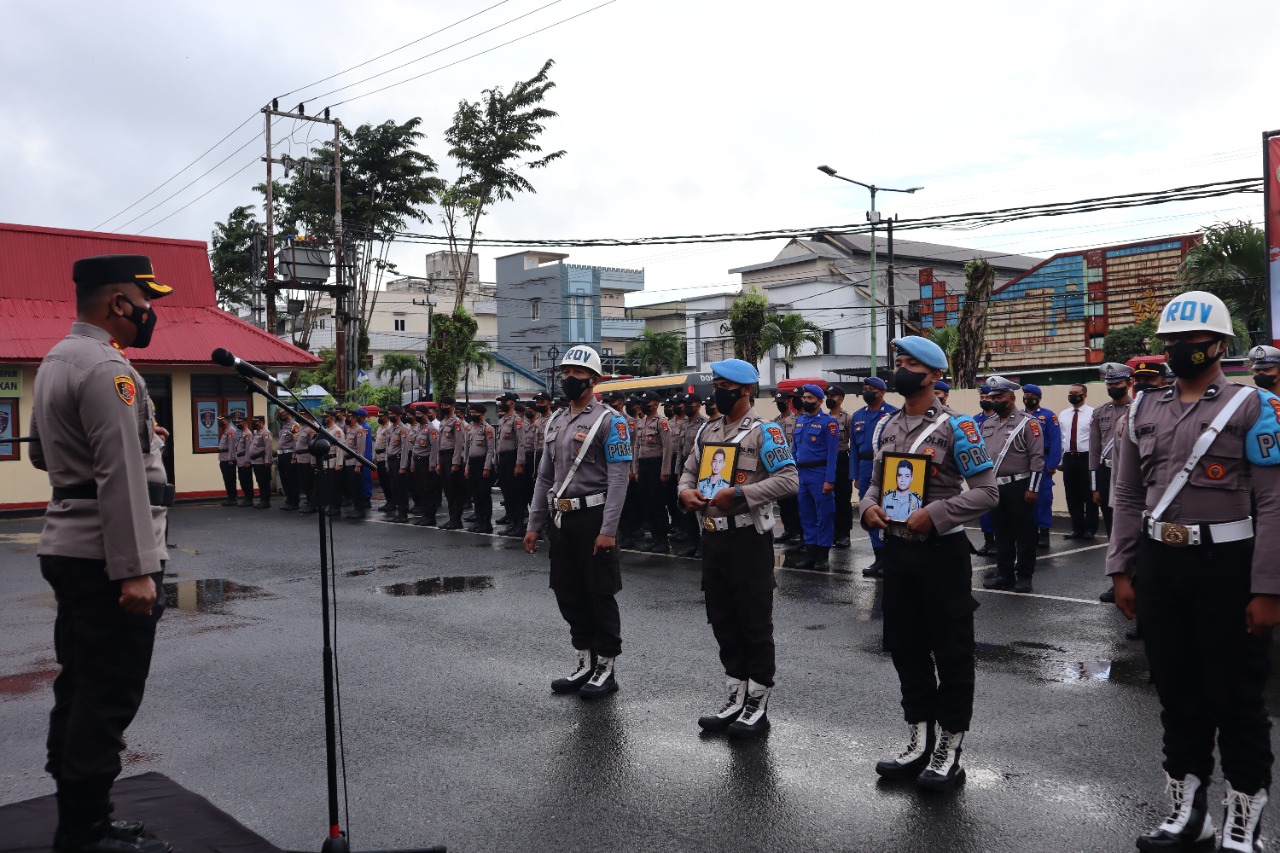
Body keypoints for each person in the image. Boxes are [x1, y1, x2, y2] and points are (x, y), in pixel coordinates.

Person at [1106, 291, 1280, 853]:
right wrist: (1121, 568)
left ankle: (1242, 824)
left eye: (1192, 340)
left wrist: (1269, 587)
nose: (1180, 348)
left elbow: (1274, 502)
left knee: (1236, 698)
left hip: (1227, 567)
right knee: (1177, 693)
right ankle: (1188, 815)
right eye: (1172, 341)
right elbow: (1127, 495)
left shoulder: (1254, 406)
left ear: (1220, 344)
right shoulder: (1142, 409)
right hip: (1161, 566)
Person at [29, 254, 174, 853]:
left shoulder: (57, 359)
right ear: (118, 303)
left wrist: (140, 437)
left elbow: (42, 455)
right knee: (108, 693)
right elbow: (119, 474)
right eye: (145, 302)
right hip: (106, 557)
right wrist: (135, 570)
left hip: (70, 544)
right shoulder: (109, 368)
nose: (149, 313)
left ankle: (83, 817)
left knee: (81, 684)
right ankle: (85, 833)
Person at [859, 336, 997, 792]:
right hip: (898, 553)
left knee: (952, 653)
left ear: (935, 375)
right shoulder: (887, 426)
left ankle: (949, 750)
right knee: (906, 648)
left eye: (911, 364)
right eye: (898, 362)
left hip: (941, 554)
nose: (900, 370)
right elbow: (875, 484)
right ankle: (919, 739)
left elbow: (987, 492)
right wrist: (868, 507)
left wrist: (936, 514)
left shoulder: (958, 427)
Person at [677, 359, 798, 737]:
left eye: (725, 386)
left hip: (747, 539)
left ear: (746, 390)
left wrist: (743, 494)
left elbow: (789, 480)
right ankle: (735, 694)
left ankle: (757, 702)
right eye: (716, 385)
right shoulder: (708, 431)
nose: (718, 392)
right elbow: (689, 471)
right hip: (713, 538)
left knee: (754, 622)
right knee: (723, 619)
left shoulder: (765, 432)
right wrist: (685, 492)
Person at [523, 345, 633, 699]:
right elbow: (544, 477)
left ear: (594, 380)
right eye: (565, 372)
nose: (569, 378)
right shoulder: (555, 421)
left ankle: (606, 667)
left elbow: (619, 480)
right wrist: (534, 523)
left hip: (593, 516)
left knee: (599, 592)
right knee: (567, 591)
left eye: (578, 373)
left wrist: (608, 530)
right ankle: (585, 661)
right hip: (561, 518)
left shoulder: (611, 421)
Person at [980, 376, 1044, 593]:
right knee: (1002, 532)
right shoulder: (988, 424)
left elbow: (1037, 459)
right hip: (995, 486)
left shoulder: (1028, 423)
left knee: (1024, 533)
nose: (996, 400)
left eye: (1000, 397)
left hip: (1020, 485)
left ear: (1012, 398)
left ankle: (1024, 576)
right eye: (993, 397)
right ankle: (1004, 574)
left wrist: (1033, 489)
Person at [852, 376, 898, 577]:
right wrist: (854, 474)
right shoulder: (858, 416)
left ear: (882, 393)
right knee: (869, 511)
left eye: (871, 389)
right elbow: (854, 448)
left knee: (889, 510)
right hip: (865, 467)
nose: (867, 392)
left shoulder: (893, 414)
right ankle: (878, 556)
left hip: (887, 466)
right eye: (865, 388)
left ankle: (891, 557)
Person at [791, 384, 839, 571]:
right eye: (804, 398)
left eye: (810, 398)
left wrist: (829, 480)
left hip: (819, 474)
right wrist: (793, 473)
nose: (805, 401)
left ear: (820, 401)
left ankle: (822, 556)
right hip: (802, 474)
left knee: (825, 515)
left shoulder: (829, 423)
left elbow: (832, 454)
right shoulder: (800, 420)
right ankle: (810, 553)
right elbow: (795, 450)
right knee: (806, 515)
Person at [632, 390, 673, 553]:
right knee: (646, 503)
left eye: (646, 403)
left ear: (655, 405)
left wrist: (665, 471)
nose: (643, 406)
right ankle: (655, 538)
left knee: (657, 504)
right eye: (642, 403)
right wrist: (635, 469)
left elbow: (667, 447)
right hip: (643, 466)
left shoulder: (661, 422)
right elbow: (636, 446)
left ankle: (663, 540)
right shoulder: (641, 422)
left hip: (656, 465)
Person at [1021, 384, 1061, 548]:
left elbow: (1056, 440)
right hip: (1023, 462)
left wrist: (1052, 464)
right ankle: (1030, 531)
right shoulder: (1019, 416)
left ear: (1039, 398)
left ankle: (1044, 531)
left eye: (1032, 396)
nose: (1028, 398)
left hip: (1043, 461)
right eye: (1026, 395)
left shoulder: (1048, 416)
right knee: (1024, 498)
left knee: (1043, 498)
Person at [1059, 383, 1095, 540]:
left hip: (1086, 457)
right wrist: (1060, 459)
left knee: (1089, 495)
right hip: (1069, 458)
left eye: (1076, 392)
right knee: (1072, 495)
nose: (1072, 395)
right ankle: (1077, 528)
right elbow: (1062, 438)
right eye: (1070, 393)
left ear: (1084, 395)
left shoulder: (1093, 413)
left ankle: (1090, 529)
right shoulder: (1064, 414)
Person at [824, 385, 855, 549]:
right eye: (828, 396)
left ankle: (844, 535)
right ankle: (833, 533)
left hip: (842, 460)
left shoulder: (848, 418)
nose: (829, 399)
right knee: (829, 499)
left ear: (841, 399)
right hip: (827, 461)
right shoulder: (823, 418)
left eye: (833, 396)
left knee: (843, 499)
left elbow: (854, 444)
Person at [771, 390, 803, 546]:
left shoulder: (796, 419)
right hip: (779, 466)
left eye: (782, 402)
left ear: (789, 401)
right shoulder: (774, 422)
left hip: (794, 464)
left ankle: (797, 531)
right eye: (777, 402)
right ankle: (788, 530)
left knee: (794, 501)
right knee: (783, 502)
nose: (779, 405)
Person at [463, 402, 497, 533]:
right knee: (476, 495)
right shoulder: (470, 428)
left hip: (482, 463)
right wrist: (467, 467)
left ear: (482, 414)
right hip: (472, 463)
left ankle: (486, 524)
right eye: (471, 412)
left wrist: (487, 468)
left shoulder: (488, 429)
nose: (472, 415)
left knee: (484, 495)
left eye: (475, 413)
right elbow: (467, 449)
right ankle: (479, 521)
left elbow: (490, 449)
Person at [433, 397, 466, 530]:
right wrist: (438, 463)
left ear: (452, 406)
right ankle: (452, 518)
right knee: (447, 490)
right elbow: (439, 444)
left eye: (446, 405)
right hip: (443, 456)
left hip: (452, 456)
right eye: (442, 405)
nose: (443, 407)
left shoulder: (456, 422)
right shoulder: (443, 422)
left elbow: (459, 444)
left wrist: (456, 463)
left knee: (455, 490)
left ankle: (457, 520)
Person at [973, 386, 998, 556]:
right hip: (981, 467)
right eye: (982, 397)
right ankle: (988, 540)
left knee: (998, 507)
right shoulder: (975, 420)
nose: (984, 400)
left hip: (998, 467)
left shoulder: (999, 418)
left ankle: (1000, 541)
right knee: (983, 507)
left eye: (987, 397)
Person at [494, 392, 522, 533]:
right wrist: (496, 461)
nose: (501, 404)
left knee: (514, 492)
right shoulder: (502, 420)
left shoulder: (516, 420)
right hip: (503, 458)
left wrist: (519, 463)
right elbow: (499, 443)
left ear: (511, 403)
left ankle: (518, 525)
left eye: (503, 402)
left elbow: (521, 443)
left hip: (512, 458)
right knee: (506, 492)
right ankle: (512, 522)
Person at [382, 406, 410, 523]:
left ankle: (403, 513)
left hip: (398, 461)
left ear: (398, 415)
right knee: (394, 488)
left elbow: (405, 449)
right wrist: (387, 463)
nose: (390, 416)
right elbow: (388, 447)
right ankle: (399, 512)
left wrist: (403, 466)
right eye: (389, 414)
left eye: (392, 414)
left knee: (401, 488)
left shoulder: (403, 429)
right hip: (391, 460)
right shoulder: (390, 429)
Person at [276, 410, 300, 511]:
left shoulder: (295, 425)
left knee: (291, 479)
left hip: (289, 455)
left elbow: (295, 442)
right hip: (281, 455)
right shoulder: (284, 425)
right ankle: (289, 499)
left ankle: (294, 501)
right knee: (284, 479)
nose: (281, 415)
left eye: (283, 413)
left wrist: (294, 457)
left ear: (288, 413)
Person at [248, 415, 274, 508]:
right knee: (260, 482)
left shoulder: (265, 433)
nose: (253, 423)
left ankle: (266, 501)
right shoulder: (257, 433)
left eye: (255, 421)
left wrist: (268, 461)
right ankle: (262, 500)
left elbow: (268, 448)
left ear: (261, 422)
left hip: (262, 462)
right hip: (256, 462)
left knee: (264, 482)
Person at [294, 413, 317, 515]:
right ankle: (309, 501)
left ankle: (313, 505)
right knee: (304, 483)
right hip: (301, 459)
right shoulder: (302, 427)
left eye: (302, 415)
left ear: (308, 416)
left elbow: (313, 445)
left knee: (309, 483)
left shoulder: (312, 428)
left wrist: (313, 461)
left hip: (308, 459)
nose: (300, 417)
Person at [217, 415, 238, 506]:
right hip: (223, 458)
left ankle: (232, 499)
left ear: (228, 420)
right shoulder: (226, 431)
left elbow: (231, 446)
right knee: (227, 479)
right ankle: (230, 498)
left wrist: (230, 459)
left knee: (230, 480)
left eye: (222, 420)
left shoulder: (231, 431)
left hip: (228, 459)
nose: (220, 421)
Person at [234, 412, 254, 506]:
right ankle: (246, 497)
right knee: (242, 480)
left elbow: (248, 449)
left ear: (245, 423)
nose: (237, 424)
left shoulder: (248, 434)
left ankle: (249, 499)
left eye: (239, 422)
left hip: (245, 461)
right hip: (240, 461)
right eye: (236, 422)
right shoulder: (242, 433)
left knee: (247, 480)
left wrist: (247, 461)